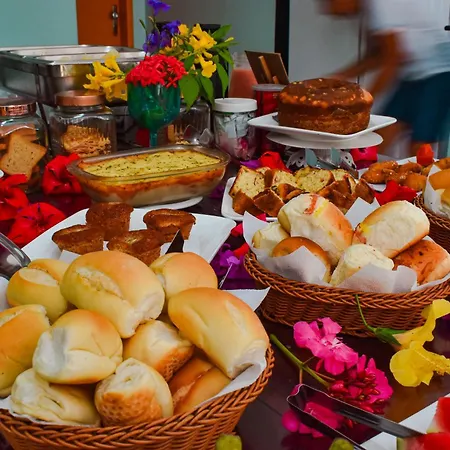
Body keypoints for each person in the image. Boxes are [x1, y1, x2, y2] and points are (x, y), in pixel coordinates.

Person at [322, 0, 450, 157]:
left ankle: (421, 172)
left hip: (439, 72)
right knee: (379, 139)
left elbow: (393, 59)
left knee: (420, 149)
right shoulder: (372, 12)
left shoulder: (381, 5)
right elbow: (377, 55)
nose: (327, 9)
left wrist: (361, 103)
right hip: (413, 73)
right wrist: (339, 77)